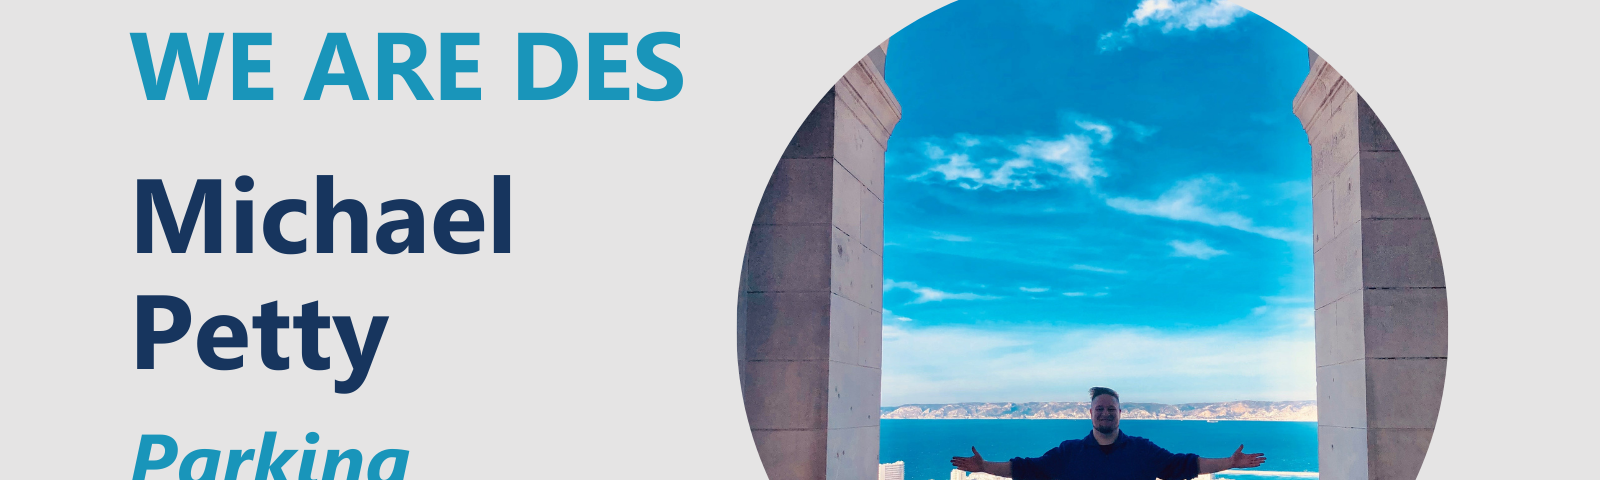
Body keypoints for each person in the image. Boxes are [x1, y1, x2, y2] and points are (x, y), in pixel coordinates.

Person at [950, 387, 1266, 480]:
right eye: (1099, 409)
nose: (1105, 413)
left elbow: (1187, 464)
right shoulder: (1068, 452)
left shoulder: (1142, 450)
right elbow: (1025, 468)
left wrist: (1229, 462)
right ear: (1090, 414)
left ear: (1119, 413)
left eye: (1110, 409)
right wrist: (985, 466)